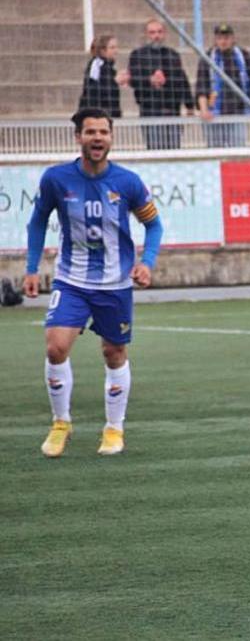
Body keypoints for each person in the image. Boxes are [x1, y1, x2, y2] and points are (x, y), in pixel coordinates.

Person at [23, 108, 164, 458]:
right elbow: (38, 221)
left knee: (113, 352)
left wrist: (146, 263)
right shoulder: (56, 179)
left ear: (111, 138)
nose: (97, 138)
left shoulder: (128, 182)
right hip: (71, 279)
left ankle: (114, 428)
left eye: (103, 131)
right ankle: (61, 423)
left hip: (115, 284)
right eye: (90, 132)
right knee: (55, 347)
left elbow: (154, 225)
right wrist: (31, 267)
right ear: (79, 137)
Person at [194, 24, 250, 148]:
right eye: (220, 38)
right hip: (214, 115)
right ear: (215, 39)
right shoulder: (207, 59)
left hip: (237, 114)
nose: (223, 41)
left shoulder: (244, 57)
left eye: (226, 38)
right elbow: (201, 89)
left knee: (238, 153)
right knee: (215, 153)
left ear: (233, 38)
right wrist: (204, 110)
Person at [128, 19, 195, 150]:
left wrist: (189, 105)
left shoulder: (172, 55)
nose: (156, 36)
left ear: (164, 34)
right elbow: (133, 80)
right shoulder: (137, 55)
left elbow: (182, 80)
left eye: (159, 32)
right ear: (146, 35)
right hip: (149, 110)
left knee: (174, 149)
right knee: (154, 149)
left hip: (172, 110)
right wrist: (149, 80)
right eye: (152, 32)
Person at [78, 35, 129, 118]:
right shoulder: (96, 64)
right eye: (112, 48)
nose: (116, 51)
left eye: (116, 47)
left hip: (109, 115)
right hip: (96, 116)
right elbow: (93, 90)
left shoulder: (109, 68)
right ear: (102, 51)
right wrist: (114, 82)